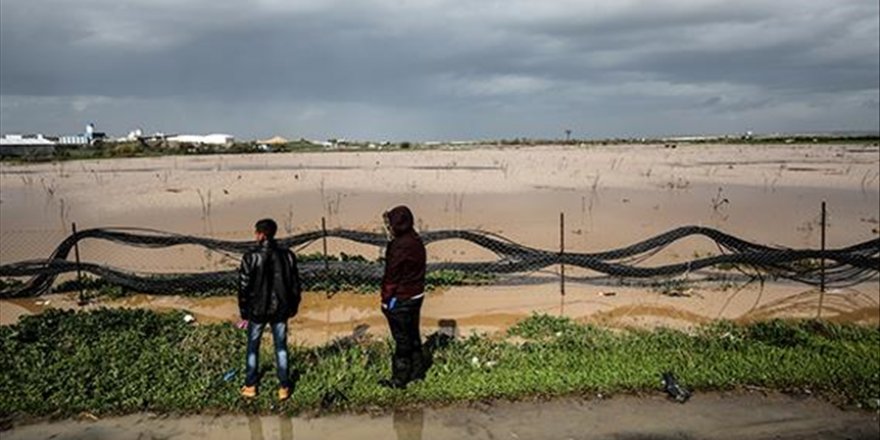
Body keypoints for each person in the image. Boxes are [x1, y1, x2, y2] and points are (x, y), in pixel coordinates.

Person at [238, 218, 301, 401]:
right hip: (281, 309)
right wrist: (293, 306)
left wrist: (244, 311)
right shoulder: (287, 255)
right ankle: (283, 387)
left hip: (256, 310)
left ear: (261, 234)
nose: (255, 236)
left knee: (252, 346)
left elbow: (244, 287)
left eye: (256, 232)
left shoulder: (250, 257)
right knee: (280, 347)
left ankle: (250, 386)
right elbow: (295, 285)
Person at [379, 205, 428, 389]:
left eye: (391, 224)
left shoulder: (399, 246)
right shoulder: (416, 240)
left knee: (402, 339)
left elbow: (392, 277)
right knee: (413, 334)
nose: (389, 227)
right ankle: (418, 373)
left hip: (401, 299)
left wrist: (385, 300)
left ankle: (399, 379)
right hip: (417, 295)